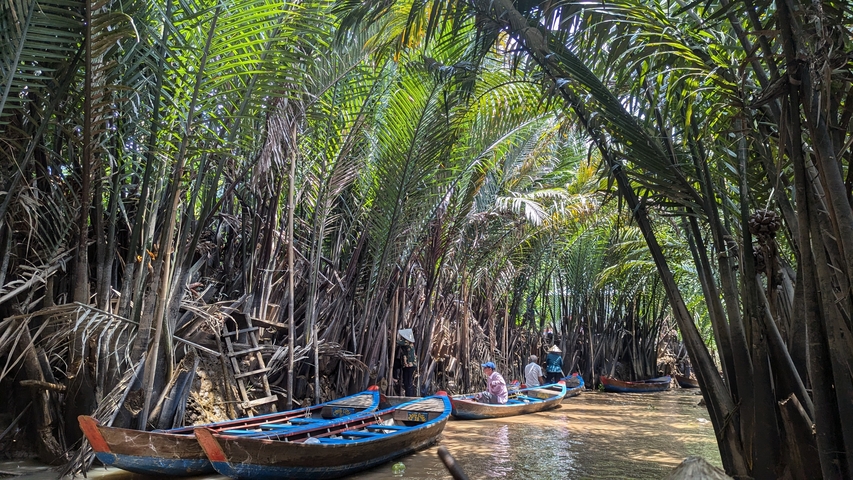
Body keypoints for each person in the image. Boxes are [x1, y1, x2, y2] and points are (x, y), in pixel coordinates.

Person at [396, 329, 417, 396]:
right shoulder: (410, 343)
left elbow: (397, 342)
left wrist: (391, 334)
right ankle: (409, 395)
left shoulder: (407, 342)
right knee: (407, 381)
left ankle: (409, 396)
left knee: (407, 381)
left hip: (409, 365)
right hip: (408, 365)